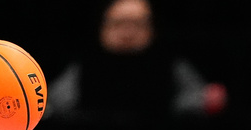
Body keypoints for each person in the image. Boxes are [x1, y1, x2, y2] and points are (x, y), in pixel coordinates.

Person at [46, 0, 227, 117]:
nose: (127, 32)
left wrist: (208, 99)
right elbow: (52, 104)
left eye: (136, 24)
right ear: (102, 28)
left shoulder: (169, 64)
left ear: (151, 29)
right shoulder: (85, 65)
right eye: (118, 23)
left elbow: (199, 98)